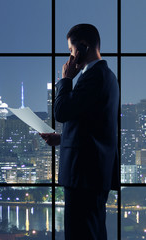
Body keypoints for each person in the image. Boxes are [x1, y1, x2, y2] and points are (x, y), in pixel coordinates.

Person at [40, 24, 119, 240]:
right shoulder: (107, 76)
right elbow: (95, 127)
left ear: (83, 47)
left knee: (80, 234)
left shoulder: (94, 76)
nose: (70, 55)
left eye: (71, 49)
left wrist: (65, 79)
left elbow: (62, 112)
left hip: (83, 174)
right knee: (92, 232)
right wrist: (62, 139)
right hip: (92, 173)